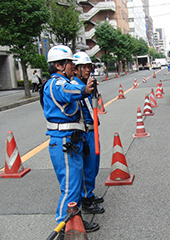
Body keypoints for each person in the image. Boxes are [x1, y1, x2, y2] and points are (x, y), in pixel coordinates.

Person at [40, 45, 99, 238]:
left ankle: (75, 221)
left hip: (71, 140)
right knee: (70, 187)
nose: (73, 66)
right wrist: (84, 89)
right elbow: (68, 90)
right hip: (64, 141)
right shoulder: (56, 84)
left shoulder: (64, 81)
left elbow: (72, 87)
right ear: (58, 65)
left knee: (75, 184)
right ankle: (63, 224)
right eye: (70, 63)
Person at [72, 51, 105, 214]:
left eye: (88, 67)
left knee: (94, 164)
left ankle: (89, 193)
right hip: (84, 133)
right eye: (83, 67)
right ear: (76, 69)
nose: (87, 70)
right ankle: (86, 199)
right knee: (88, 166)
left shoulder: (88, 84)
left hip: (93, 130)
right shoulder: (76, 87)